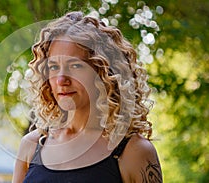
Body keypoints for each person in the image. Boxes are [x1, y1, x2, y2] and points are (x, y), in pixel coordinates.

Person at [12, 11, 162, 183]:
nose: (61, 80)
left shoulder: (134, 151)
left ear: (104, 72)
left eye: (75, 65)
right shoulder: (31, 146)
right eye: (53, 67)